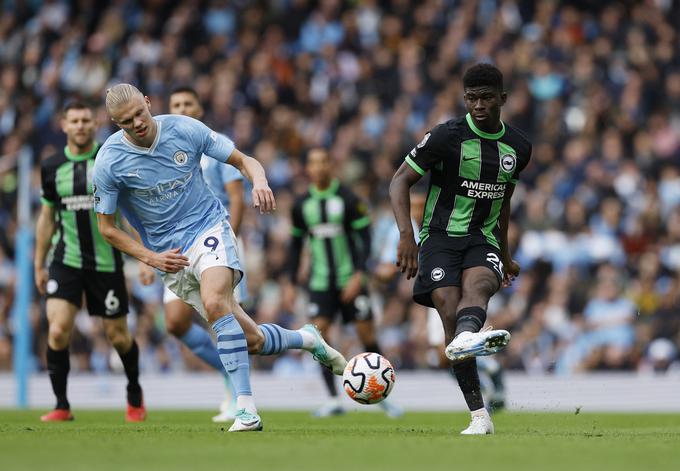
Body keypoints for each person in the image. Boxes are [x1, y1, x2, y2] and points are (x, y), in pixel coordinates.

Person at [93, 84, 347, 432]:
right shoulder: (109, 161)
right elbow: (107, 228)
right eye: (126, 121)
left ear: (149, 103)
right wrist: (149, 257)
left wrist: (259, 180)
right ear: (114, 123)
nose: (137, 122)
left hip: (208, 227)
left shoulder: (184, 128)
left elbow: (244, 160)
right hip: (170, 253)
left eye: (140, 112)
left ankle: (245, 409)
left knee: (215, 305)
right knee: (253, 341)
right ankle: (307, 339)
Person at [389, 63, 531, 434]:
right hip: (439, 238)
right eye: (471, 98)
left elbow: (504, 201)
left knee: (481, 284)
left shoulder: (518, 147)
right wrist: (406, 235)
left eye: (486, 98)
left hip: (482, 237)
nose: (478, 105)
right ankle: (479, 415)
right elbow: (399, 181)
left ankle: (470, 336)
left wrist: (505, 252)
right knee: (450, 316)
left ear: (502, 98)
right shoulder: (445, 136)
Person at [137, 86, 246, 422]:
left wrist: (230, 243)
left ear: (200, 109)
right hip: (176, 247)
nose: (182, 108)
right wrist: (147, 255)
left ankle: (238, 394)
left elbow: (236, 197)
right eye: (176, 104)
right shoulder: (161, 149)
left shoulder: (213, 146)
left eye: (188, 104)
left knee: (221, 315)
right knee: (175, 322)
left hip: (214, 240)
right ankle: (228, 373)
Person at [35, 101, 145, 422]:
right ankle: (61, 404)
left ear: (95, 123)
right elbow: (46, 218)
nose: (81, 125)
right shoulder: (52, 166)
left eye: (86, 120)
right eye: (75, 121)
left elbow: (131, 212)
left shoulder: (110, 158)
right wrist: (38, 263)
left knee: (118, 336)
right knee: (57, 331)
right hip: (65, 259)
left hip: (106, 262)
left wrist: (146, 258)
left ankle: (134, 394)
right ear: (64, 125)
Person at [284, 148, 402, 418]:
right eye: (313, 163)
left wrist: (359, 275)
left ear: (331, 166)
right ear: (308, 169)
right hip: (321, 283)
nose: (319, 167)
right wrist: (290, 283)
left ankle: (384, 397)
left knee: (367, 336)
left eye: (323, 161)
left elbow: (365, 239)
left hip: (351, 279)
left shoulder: (348, 199)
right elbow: (294, 245)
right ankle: (332, 399)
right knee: (318, 337)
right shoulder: (301, 204)